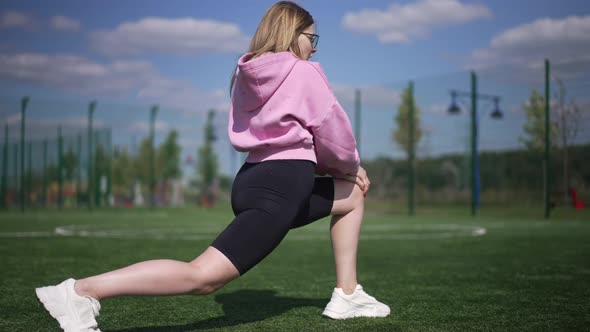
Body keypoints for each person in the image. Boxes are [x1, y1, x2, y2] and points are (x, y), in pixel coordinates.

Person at [35, 2, 390, 331]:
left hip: (254, 179)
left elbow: (275, 132)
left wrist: (335, 174)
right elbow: (332, 130)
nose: (314, 47)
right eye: (311, 37)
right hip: (282, 187)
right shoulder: (304, 72)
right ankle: (81, 292)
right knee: (203, 277)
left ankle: (347, 294)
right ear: (291, 34)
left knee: (352, 195)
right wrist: (346, 165)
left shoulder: (247, 75)